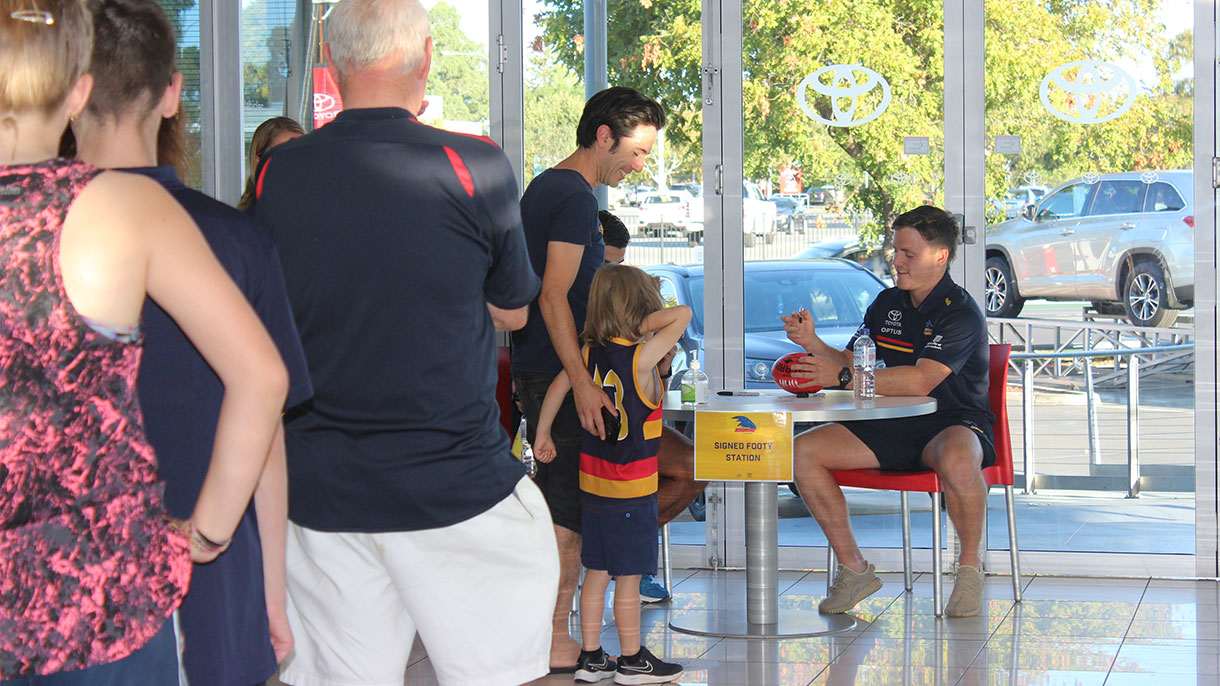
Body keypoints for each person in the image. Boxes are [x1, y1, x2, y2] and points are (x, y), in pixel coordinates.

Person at [251, 1, 558, 684]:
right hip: (454, 488)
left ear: (329, 64)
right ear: (425, 56)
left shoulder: (281, 173)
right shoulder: (474, 165)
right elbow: (513, 312)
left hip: (324, 493)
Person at [0, 0, 289, 682]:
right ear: (78, 90)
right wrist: (208, 533)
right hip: (103, 599)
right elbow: (262, 378)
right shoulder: (124, 210)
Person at [69, 1, 314, 683]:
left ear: (70, 90)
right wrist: (270, 592)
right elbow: (266, 432)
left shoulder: (31, 237)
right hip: (210, 568)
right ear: (172, 92)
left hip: (65, 578)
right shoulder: (237, 241)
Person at [511, 86, 667, 672]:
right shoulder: (570, 196)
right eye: (638, 151)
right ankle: (557, 636)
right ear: (604, 136)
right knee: (568, 511)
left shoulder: (557, 190)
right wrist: (579, 378)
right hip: (559, 370)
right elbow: (553, 294)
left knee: (606, 497)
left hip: (569, 368)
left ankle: (587, 613)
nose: (640, 164)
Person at [781, 205, 995, 618]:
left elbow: (920, 380)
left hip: (950, 421)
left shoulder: (961, 312)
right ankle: (854, 569)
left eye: (908, 254)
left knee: (957, 457)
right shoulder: (886, 302)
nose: (895, 262)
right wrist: (813, 343)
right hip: (888, 420)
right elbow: (852, 359)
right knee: (799, 452)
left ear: (940, 256)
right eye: (895, 250)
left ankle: (969, 569)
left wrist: (840, 378)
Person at [534, 265, 688, 684]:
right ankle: (633, 659)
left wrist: (542, 433)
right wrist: (640, 325)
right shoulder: (641, 357)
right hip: (632, 489)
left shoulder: (585, 355)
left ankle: (591, 657)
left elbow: (557, 388)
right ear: (642, 307)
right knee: (629, 577)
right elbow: (684, 315)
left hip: (593, 485)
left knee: (596, 572)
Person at [598, 208, 705, 603]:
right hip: (597, 434)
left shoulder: (624, 302)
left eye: (618, 265)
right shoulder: (584, 307)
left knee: (696, 463)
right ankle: (622, 555)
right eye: (606, 264)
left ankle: (630, 555)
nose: (610, 275)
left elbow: (648, 395)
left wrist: (660, 366)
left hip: (635, 429)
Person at [237, 116, 303, 211]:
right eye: (282, 156)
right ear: (258, 161)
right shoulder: (250, 216)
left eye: (300, 155)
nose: (293, 164)